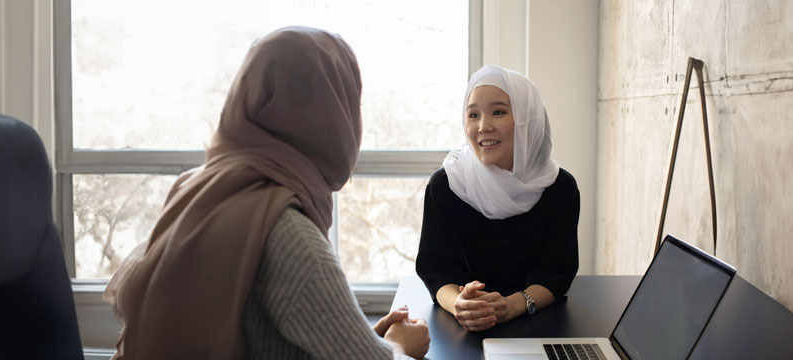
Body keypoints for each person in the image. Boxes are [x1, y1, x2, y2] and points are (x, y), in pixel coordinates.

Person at [103, 26, 430, 359]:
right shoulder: (288, 235)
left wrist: (362, 338)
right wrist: (400, 345)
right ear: (332, 115)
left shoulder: (194, 188)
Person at [416, 65, 580, 332]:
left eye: (499, 112)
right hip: (461, 328)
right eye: (473, 115)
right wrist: (460, 304)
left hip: (536, 322)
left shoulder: (560, 188)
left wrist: (514, 305)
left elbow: (556, 273)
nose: (483, 127)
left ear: (528, 119)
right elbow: (436, 270)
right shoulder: (447, 184)